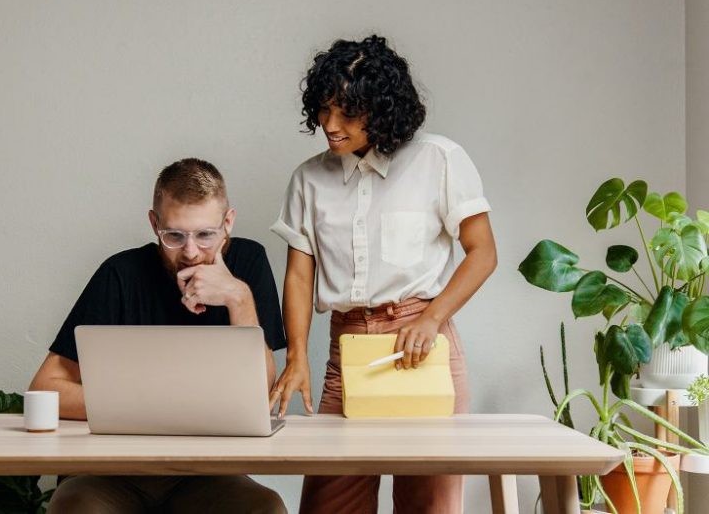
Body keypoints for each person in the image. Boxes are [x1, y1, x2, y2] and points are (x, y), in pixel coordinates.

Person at [269, 35, 498, 513]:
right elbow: (298, 276)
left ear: (383, 109)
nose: (330, 126)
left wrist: (432, 319)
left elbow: (482, 253)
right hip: (347, 349)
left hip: (423, 345)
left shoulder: (439, 159)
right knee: (329, 505)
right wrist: (296, 356)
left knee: (427, 506)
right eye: (323, 110)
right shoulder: (308, 179)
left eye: (346, 114)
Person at [31, 158, 288, 514]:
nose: (191, 251)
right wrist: (152, 406)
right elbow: (46, 386)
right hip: (109, 473)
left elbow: (260, 393)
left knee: (265, 508)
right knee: (75, 508)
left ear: (228, 223)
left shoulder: (249, 262)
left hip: (207, 475)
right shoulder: (120, 273)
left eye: (206, 234)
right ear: (154, 224)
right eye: (174, 235)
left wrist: (238, 297)